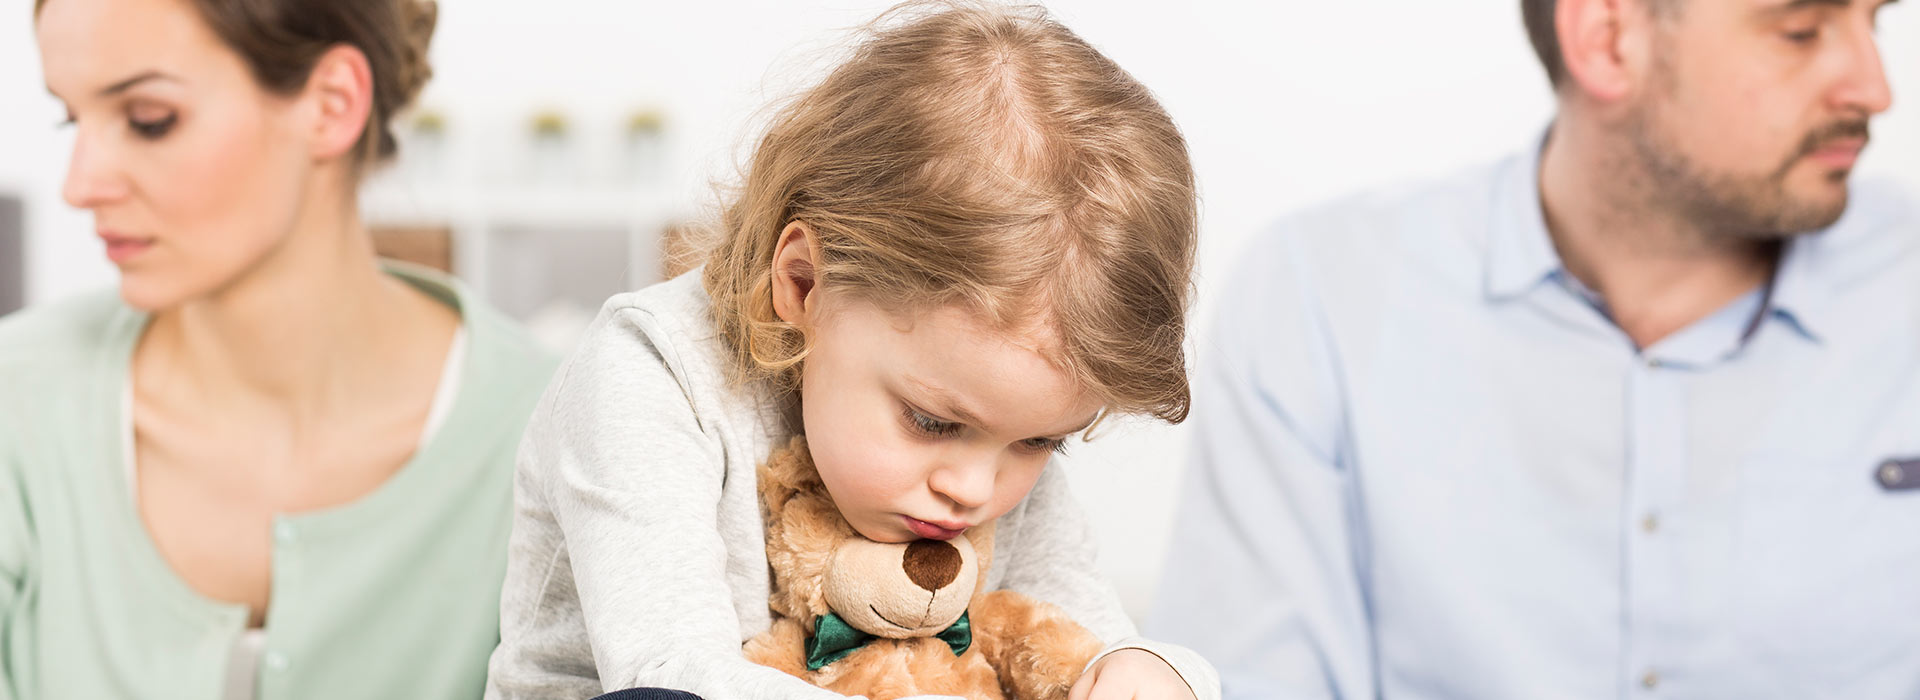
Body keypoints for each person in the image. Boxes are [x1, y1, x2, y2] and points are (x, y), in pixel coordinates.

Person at [1151, 0, 1914, 697]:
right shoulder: (1322, 296)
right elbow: (1255, 679)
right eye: (1801, 31)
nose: (1875, 89)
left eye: (1873, 22)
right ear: (1608, 40)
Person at [483, 3, 1219, 699]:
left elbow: (1081, 634)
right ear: (803, 283)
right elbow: (672, 669)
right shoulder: (650, 372)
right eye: (931, 422)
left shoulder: (986, 439)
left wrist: (1145, 667)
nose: (974, 488)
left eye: (1038, 442)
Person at [1, 0, 555, 697]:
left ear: (330, 104)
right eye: (72, 119)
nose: (80, 185)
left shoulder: (556, 431)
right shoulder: (17, 404)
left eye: (148, 120)